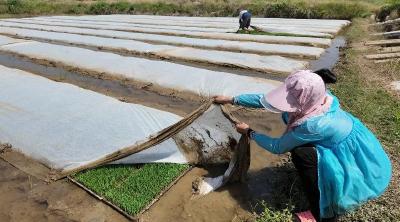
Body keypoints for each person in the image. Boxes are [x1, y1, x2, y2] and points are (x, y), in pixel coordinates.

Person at [214, 70, 391, 222]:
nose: (286, 104)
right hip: (354, 141)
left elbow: (277, 147)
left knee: (301, 154)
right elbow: (266, 101)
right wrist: (232, 99)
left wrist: (250, 132)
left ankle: (319, 213)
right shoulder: (320, 97)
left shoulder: (312, 125)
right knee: (291, 125)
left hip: (356, 159)